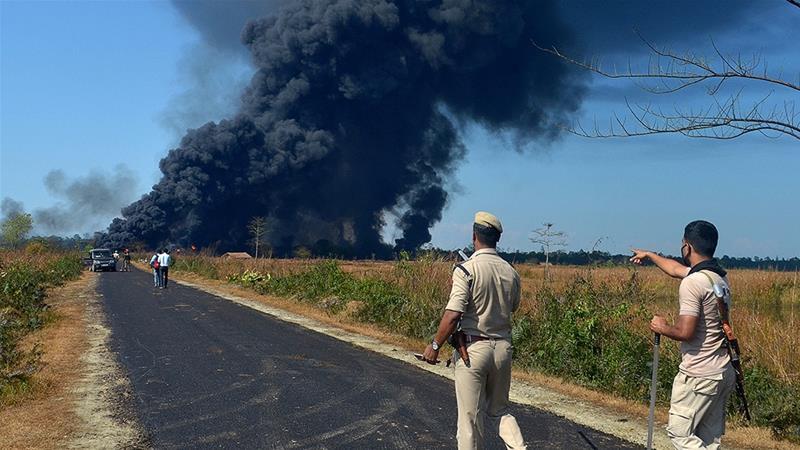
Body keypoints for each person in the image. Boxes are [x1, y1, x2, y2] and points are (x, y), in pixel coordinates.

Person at [421, 211, 526, 450]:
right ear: (496, 239)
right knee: (500, 411)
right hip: (502, 349)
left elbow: (453, 313)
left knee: (469, 420)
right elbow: (514, 306)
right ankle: (519, 448)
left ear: (474, 236)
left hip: (473, 350)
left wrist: (435, 345)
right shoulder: (511, 272)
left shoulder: (466, 270)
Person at [631, 220, 736, 450]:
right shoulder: (716, 278)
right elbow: (675, 269)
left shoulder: (693, 283)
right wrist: (649, 255)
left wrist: (661, 327)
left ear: (687, 246)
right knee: (708, 439)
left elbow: (685, 332)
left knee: (679, 433)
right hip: (721, 371)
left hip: (699, 374)